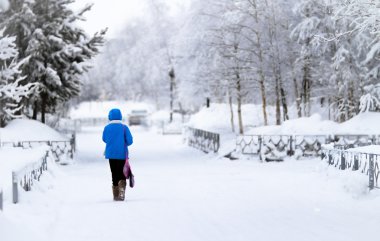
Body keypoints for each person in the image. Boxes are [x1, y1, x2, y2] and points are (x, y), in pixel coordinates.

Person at [102, 108, 133, 201]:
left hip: (111, 154)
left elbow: (104, 139)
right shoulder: (124, 127)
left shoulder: (107, 128)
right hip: (122, 154)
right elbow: (130, 141)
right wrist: (122, 143)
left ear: (110, 117)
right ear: (120, 116)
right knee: (121, 173)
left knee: (114, 173)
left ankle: (115, 195)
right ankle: (122, 191)